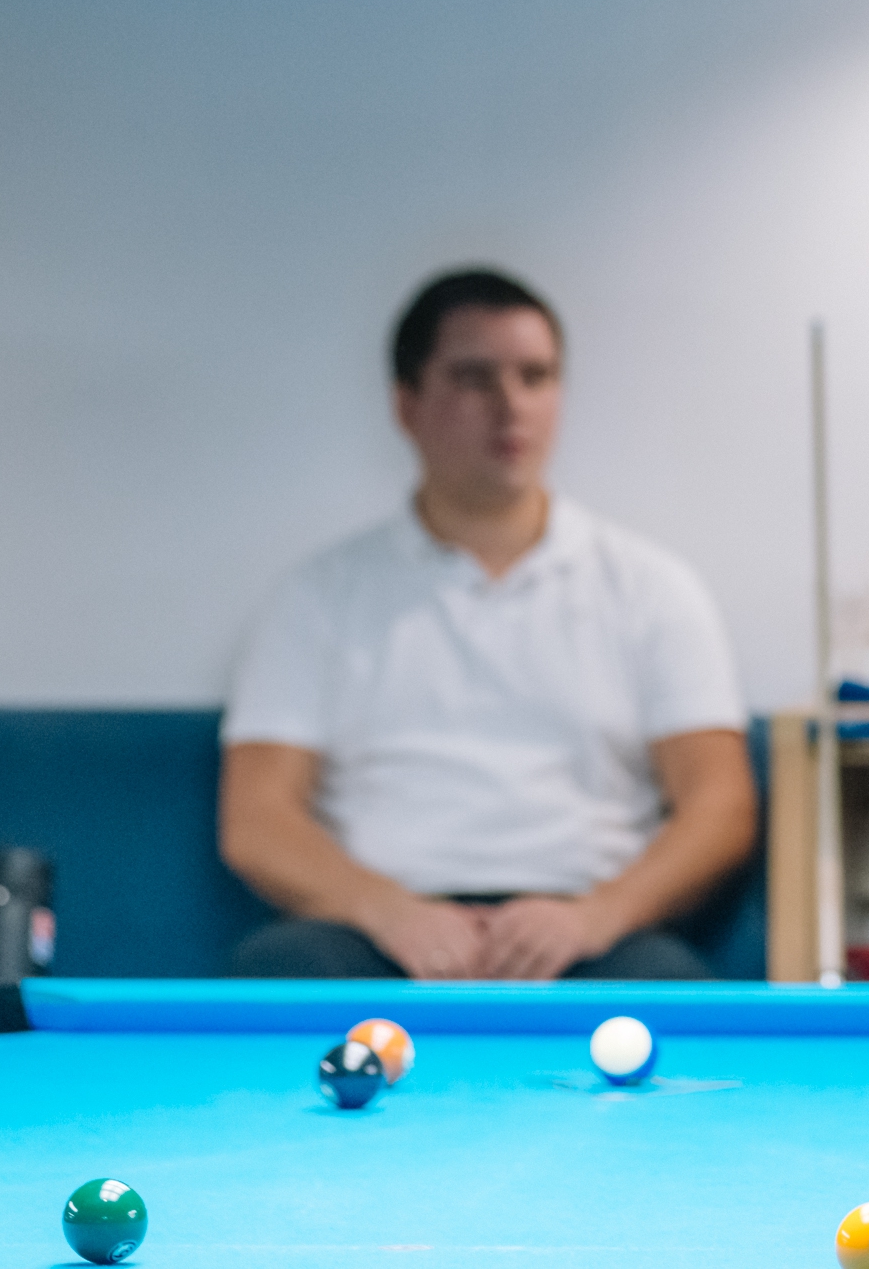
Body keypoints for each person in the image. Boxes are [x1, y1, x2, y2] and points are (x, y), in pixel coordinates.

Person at [219, 268, 756, 981]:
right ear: (407, 404)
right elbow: (257, 820)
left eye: (535, 377)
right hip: (375, 936)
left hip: (589, 936)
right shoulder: (317, 596)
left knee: (669, 990)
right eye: (474, 379)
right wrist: (388, 912)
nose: (511, 406)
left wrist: (596, 916)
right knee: (280, 976)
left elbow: (720, 806)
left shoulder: (651, 588)